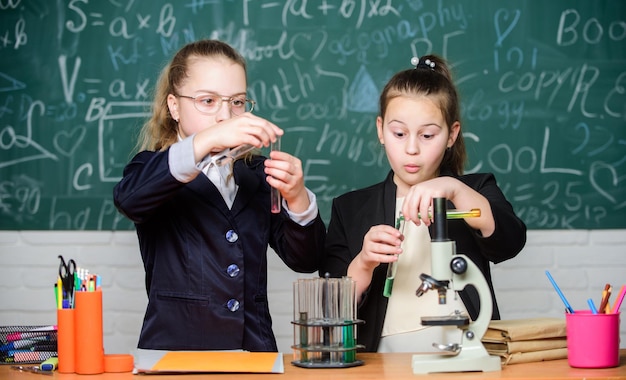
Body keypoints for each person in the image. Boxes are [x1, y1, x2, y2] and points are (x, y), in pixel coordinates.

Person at [113, 39, 326, 352]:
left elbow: (305, 260)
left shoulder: (257, 174)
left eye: (237, 102)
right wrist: (209, 139)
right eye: (207, 101)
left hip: (253, 356)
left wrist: (296, 198)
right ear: (174, 106)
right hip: (176, 357)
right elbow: (128, 198)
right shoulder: (154, 167)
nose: (226, 116)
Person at [321, 55, 526, 353]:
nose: (412, 148)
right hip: (383, 365)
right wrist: (364, 262)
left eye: (428, 135)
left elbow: (511, 241)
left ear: (451, 135)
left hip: (467, 354)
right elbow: (330, 313)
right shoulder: (350, 208)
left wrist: (454, 188)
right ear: (380, 130)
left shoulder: (474, 191)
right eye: (399, 133)